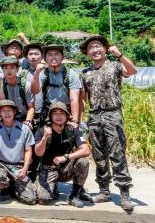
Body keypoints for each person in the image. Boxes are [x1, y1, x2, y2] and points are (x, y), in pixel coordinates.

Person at [79, 35, 138, 211]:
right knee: (99, 156)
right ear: (87, 52)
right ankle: (104, 190)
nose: (95, 50)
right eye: (91, 48)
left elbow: (132, 71)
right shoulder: (85, 73)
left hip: (113, 114)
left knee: (117, 153)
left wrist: (119, 55)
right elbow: (83, 99)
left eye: (98, 46)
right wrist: (81, 119)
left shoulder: (115, 66)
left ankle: (124, 193)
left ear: (104, 48)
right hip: (94, 116)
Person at [34, 102, 92, 207]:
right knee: (44, 199)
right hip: (49, 169)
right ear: (50, 116)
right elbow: (38, 153)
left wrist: (66, 157)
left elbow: (86, 150)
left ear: (66, 116)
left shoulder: (73, 130)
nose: (58, 116)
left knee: (83, 161)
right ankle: (53, 186)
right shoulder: (42, 130)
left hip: (65, 168)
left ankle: (73, 195)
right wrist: (45, 137)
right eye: (55, 113)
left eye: (61, 113)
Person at [0, 100, 37, 205]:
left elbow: (28, 150)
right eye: (3, 111)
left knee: (30, 199)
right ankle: (6, 189)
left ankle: (15, 187)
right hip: (1, 164)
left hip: (18, 166)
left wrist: (25, 168)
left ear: (14, 112)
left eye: (9, 110)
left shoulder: (24, 128)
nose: (7, 113)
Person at [30, 43, 82, 127]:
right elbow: (34, 91)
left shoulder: (70, 74)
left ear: (62, 57)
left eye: (57, 54)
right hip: (48, 111)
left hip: (66, 111)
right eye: (50, 55)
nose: (53, 57)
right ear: (45, 59)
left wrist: (75, 120)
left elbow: (74, 99)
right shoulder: (43, 73)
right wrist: (36, 73)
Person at [0, 56, 35, 126]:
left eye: (12, 68)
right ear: (2, 70)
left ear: (17, 69)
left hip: (23, 117)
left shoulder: (26, 85)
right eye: (6, 68)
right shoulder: (0, 84)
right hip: (6, 118)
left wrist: (28, 121)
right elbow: (0, 104)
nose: (9, 71)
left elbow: (31, 108)